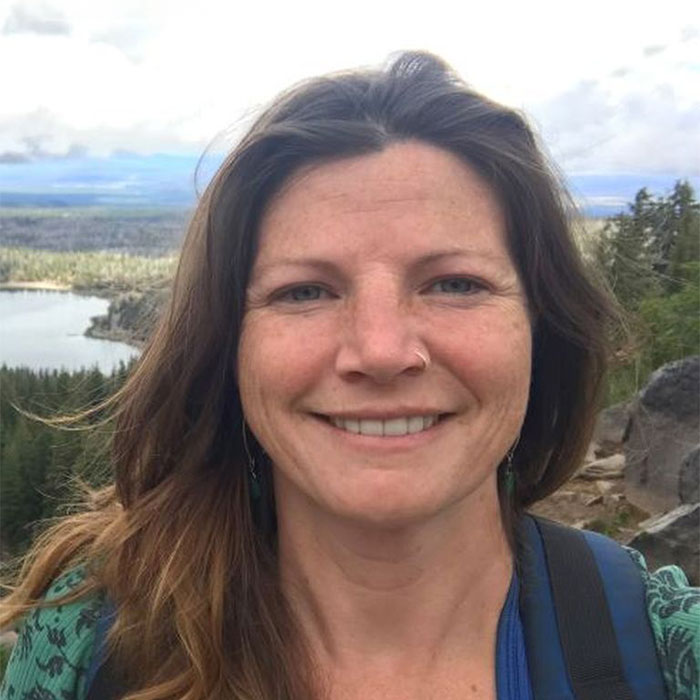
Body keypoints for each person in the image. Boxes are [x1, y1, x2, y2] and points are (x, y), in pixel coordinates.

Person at [1, 51, 698, 700]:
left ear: (542, 331)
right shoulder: (90, 646)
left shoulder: (662, 653)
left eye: (454, 283)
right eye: (305, 291)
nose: (381, 349)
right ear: (229, 349)